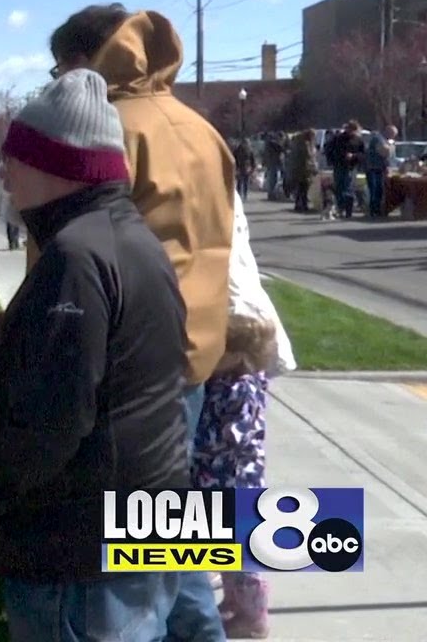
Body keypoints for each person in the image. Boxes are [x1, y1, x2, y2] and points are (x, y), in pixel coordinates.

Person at [0, 69, 191, 641]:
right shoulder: (133, 239)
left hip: (80, 548)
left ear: (55, 165)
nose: (6, 175)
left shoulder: (76, 256)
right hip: (139, 524)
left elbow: (55, 415)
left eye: (15, 159)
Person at [43, 3, 232, 640]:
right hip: (194, 358)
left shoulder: (109, 132)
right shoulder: (200, 128)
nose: (54, 81)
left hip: (128, 367)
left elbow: (74, 257)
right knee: (170, 544)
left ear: (86, 61)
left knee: (120, 587)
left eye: (59, 66)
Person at [193, 192, 296, 640]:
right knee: (230, 553)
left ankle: (251, 614)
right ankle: (237, 605)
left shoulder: (231, 390)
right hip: (236, 477)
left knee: (237, 553)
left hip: (226, 478)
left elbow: (221, 437)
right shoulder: (246, 381)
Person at [365, 124, 395, 218]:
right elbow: (384, 152)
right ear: (387, 132)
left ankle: (378, 209)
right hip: (373, 168)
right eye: (392, 134)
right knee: (374, 189)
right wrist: (390, 147)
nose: (392, 137)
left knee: (380, 190)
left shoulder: (385, 140)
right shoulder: (378, 138)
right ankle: (373, 210)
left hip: (380, 168)